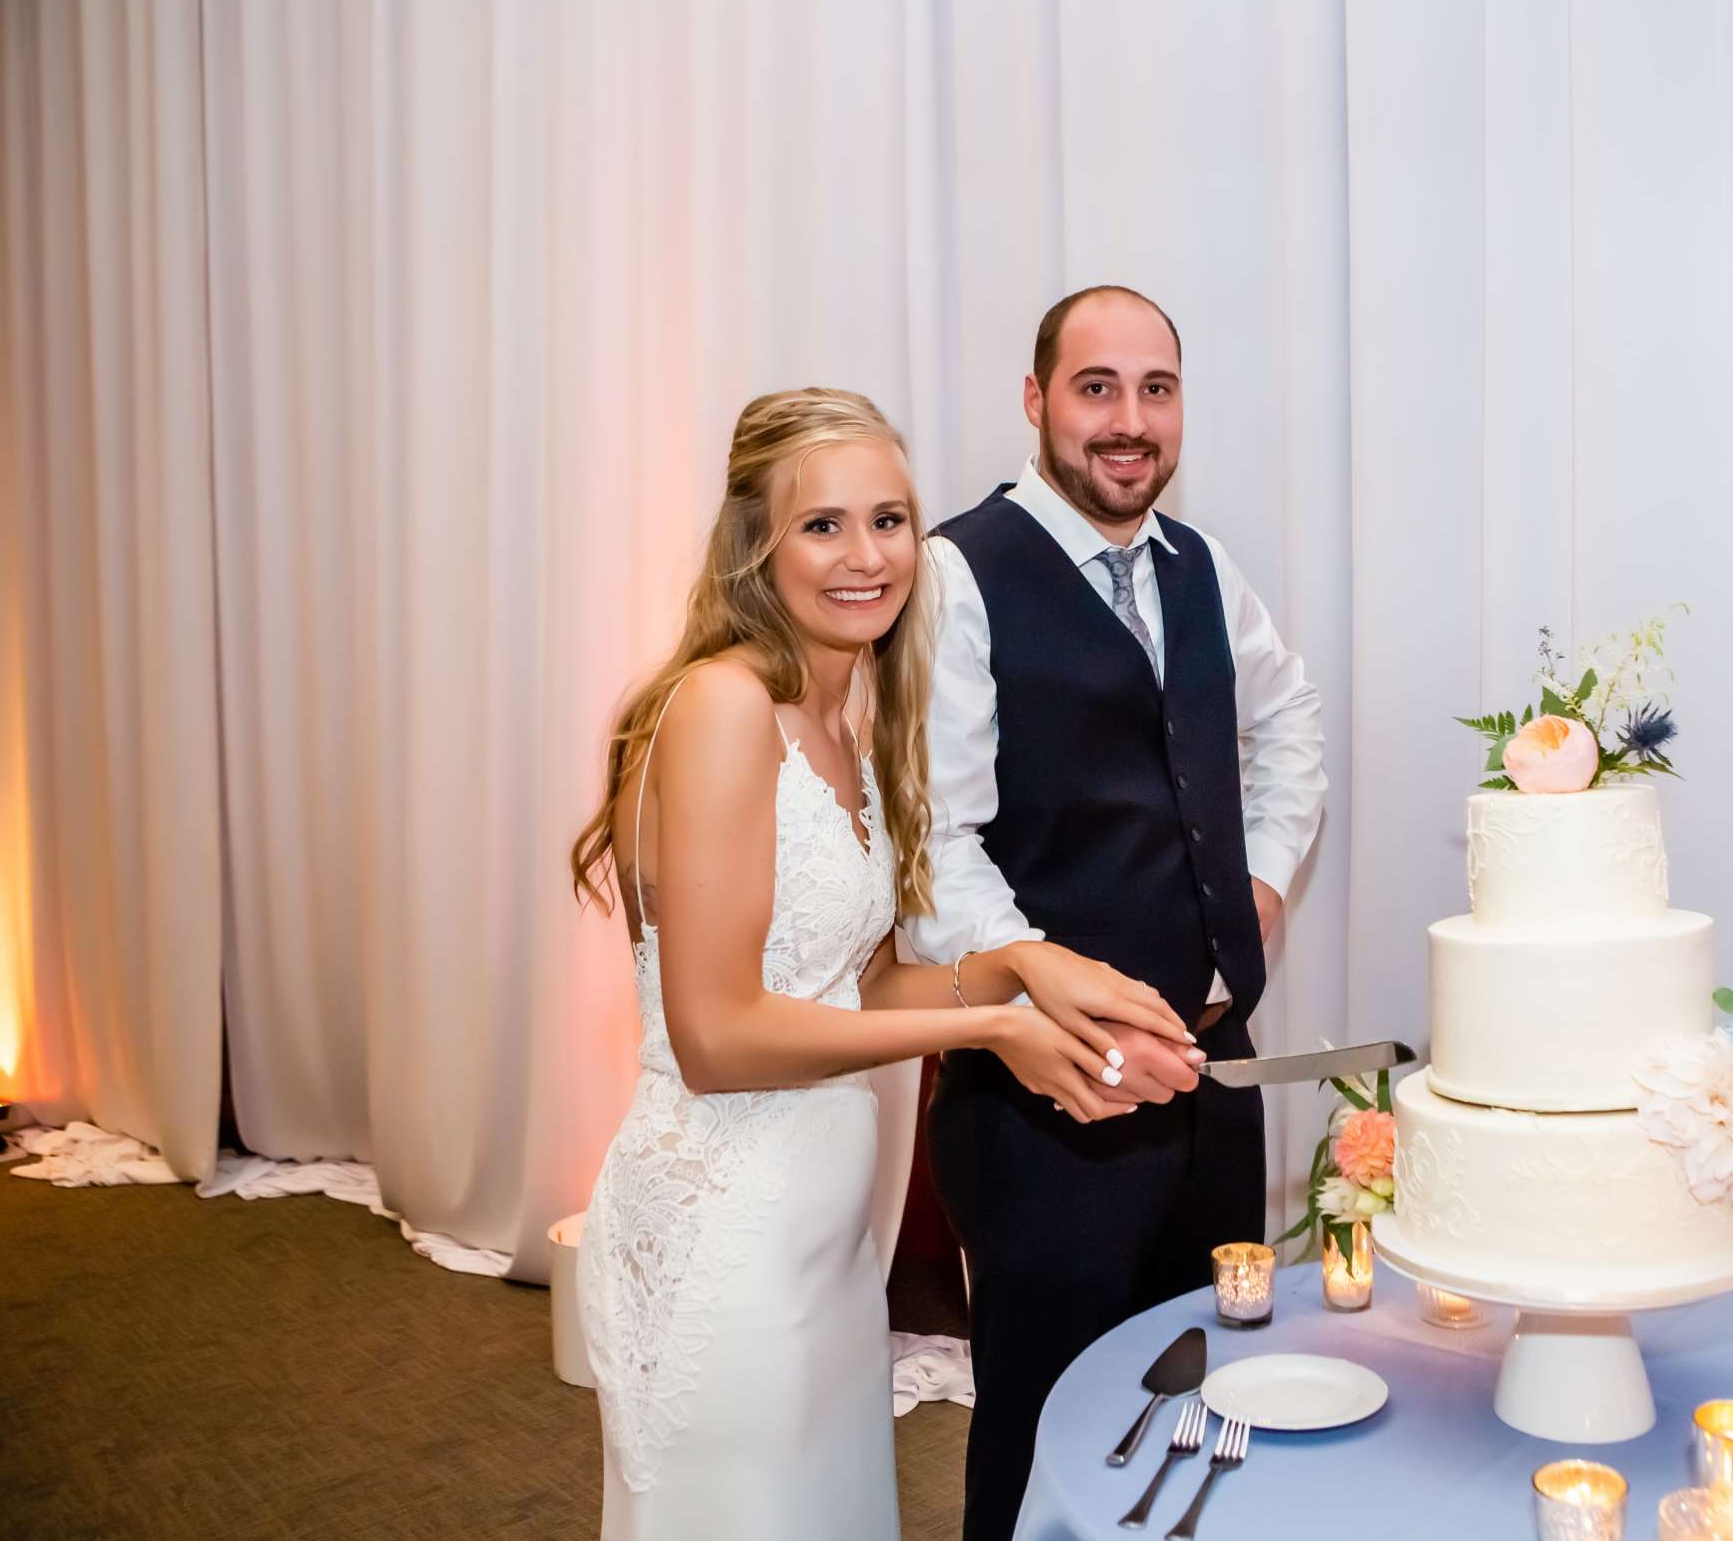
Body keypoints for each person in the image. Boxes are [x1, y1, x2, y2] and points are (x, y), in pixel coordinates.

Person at [566, 388, 1193, 1540]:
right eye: (824, 525)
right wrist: (987, 1028)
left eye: (892, 520)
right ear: (756, 539)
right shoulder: (719, 705)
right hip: (725, 1233)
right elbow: (717, 1037)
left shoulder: (846, 710)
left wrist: (1027, 971)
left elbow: (845, 985)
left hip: (819, 1234)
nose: (868, 557)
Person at [910, 289, 1327, 1539]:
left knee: (1201, 1398)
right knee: (1047, 1427)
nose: (1130, 421)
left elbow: (1288, 718)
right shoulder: (958, 573)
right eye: (1097, 388)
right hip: (1049, 1109)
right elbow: (938, 842)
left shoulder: (1201, 567)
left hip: (1211, 1081)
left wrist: (1262, 884)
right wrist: (1054, 1003)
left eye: (1158, 388)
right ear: (1037, 403)